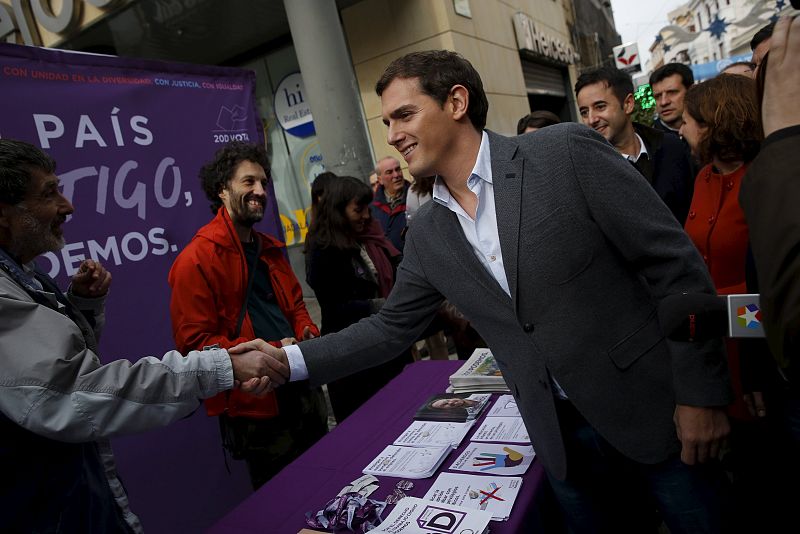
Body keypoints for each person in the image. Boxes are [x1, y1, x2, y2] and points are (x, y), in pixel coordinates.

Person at [236, 50, 734, 533]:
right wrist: (289, 361)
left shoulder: (564, 152)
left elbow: (677, 270)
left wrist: (701, 395)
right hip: (560, 443)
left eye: (404, 115)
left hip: (656, 415)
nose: (393, 136)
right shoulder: (428, 230)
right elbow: (389, 328)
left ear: (456, 103)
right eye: (386, 123)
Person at [0, 139, 284, 533]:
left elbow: (54, 363)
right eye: (49, 193)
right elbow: (71, 391)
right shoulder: (197, 258)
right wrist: (223, 366)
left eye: (264, 182)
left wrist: (80, 307)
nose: (67, 206)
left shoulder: (23, 274)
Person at [168, 141, 328, 490]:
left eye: (263, 184)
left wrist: (304, 329)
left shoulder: (269, 248)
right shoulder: (195, 261)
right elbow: (195, 347)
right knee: (286, 500)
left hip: (302, 387)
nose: (259, 191)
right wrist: (273, 349)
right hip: (258, 408)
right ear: (222, 189)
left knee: (328, 485)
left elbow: (296, 304)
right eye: (248, 182)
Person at [679, 73, 789, 530]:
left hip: (761, 355)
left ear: (714, 122)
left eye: (687, 121)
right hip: (715, 352)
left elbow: (774, 294)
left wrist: (717, 315)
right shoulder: (703, 176)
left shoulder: (767, 177)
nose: (680, 129)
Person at [304, 175, 409, 421]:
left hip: (378, 351)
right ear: (338, 211)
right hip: (353, 362)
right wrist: (382, 306)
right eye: (358, 210)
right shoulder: (324, 250)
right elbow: (336, 307)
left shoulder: (361, 240)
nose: (365, 216)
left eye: (366, 209)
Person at [740, 14, 800, 446]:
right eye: (759, 64)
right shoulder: (766, 163)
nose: (764, 77)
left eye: (773, 62)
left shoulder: (776, 162)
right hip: (768, 357)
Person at [576, 66, 695, 223]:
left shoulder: (671, 147)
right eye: (584, 112)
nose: (591, 119)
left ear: (628, 104)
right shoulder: (588, 175)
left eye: (600, 107)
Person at [371, 156, 409, 250]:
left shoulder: (416, 197)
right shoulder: (371, 208)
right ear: (380, 180)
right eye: (389, 172)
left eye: (398, 169)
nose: (396, 175)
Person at [649, 62, 694, 133]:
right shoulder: (649, 141)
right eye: (658, 96)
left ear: (691, 91)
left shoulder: (712, 129)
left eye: (672, 92)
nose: (663, 102)